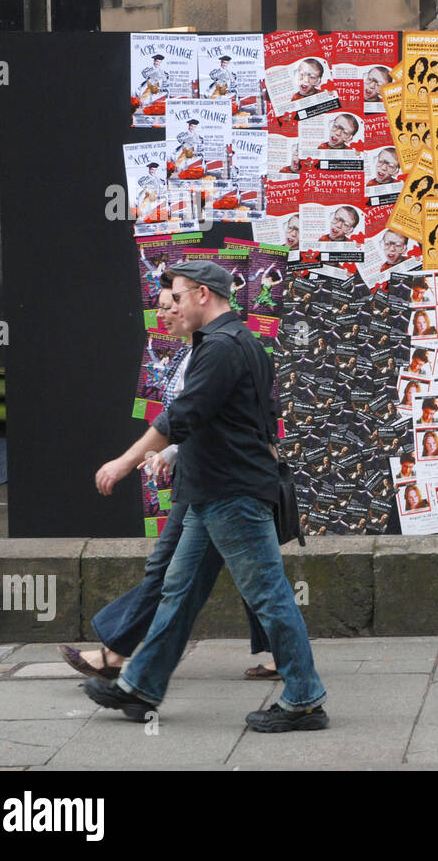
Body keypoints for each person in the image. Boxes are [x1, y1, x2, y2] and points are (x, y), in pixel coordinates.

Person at [85, 259, 328, 731]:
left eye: (176, 297)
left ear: (202, 294)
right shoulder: (235, 342)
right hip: (211, 492)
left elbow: (182, 416)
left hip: (232, 494)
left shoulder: (222, 347)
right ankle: (140, 687)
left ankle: (304, 699)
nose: (170, 306)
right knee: (178, 592)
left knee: (271, 598)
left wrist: (124, 460)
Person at [62, 285, 278, 681]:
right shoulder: (195, 352)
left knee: (175, 570)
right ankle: (290, 662)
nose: (165, 314)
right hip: (210, 479)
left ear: (198, 300)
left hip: (215, 481)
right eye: (162, 306)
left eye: (171, 305)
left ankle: (118, 656)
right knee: (251, 573)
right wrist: (170, 453)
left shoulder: (215, 350)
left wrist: (151, 456)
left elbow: (192, 418)